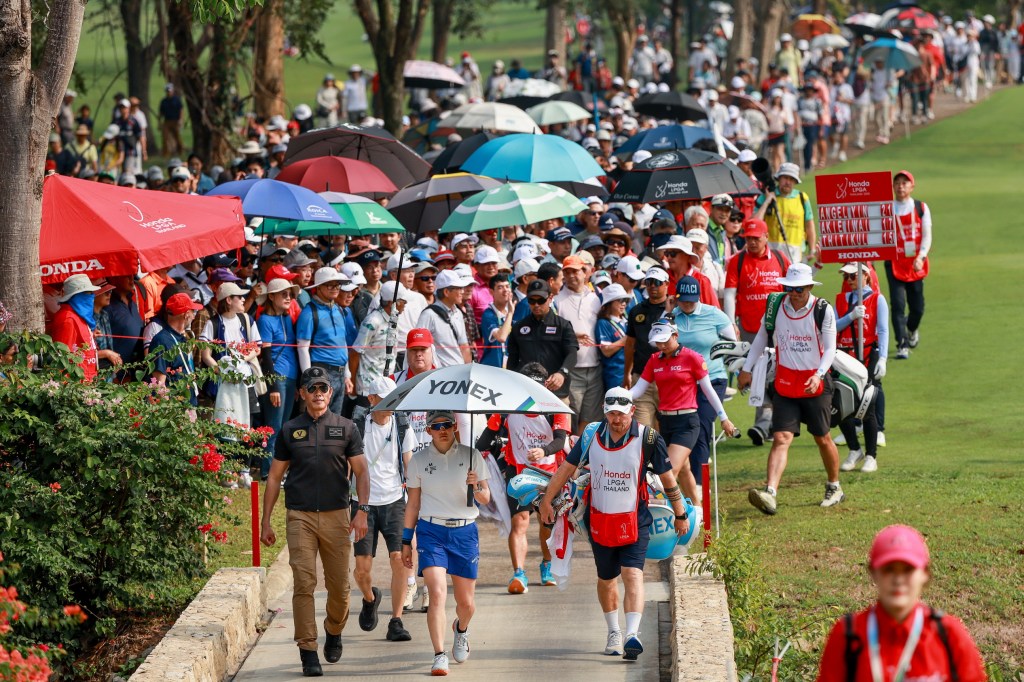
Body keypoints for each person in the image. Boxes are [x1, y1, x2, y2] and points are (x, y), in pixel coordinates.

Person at [539, 388, 691, 662]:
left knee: (632, 574)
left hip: (635, 519)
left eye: (621, 414)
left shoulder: (648, 438)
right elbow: (566, 469)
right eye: (611, 414)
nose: (616, 419)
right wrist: (546, 501)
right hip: (599, 519)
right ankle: (614, 632)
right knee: (606, 579)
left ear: (632, 411)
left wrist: (680, 513)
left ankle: (632, 634)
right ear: (605, 412)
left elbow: (668, 478)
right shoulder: (591, 435)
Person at [261, 367, 370, 677]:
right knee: (304, 583)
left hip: (337, 516)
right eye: (312, 388)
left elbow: (362, 471)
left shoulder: (346, 428)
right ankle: (307, 650)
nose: (318, 393)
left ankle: (334, 630)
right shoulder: (289, 429)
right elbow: (274, 477)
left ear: (331, 393)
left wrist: (362, 510)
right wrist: (265, 521)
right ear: (302, 393)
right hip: (300, 516)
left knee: (340, 588)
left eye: (323, 388)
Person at [816, 525, 987, 681]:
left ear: (925, 574)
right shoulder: (847, 634)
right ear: (873, 573)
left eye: (908, 569)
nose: (898, 580)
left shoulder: (948, 634)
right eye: (888, 569)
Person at [738, 263, 843, 515]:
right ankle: (770, 493)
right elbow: (761, 338)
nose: (794, 293)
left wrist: (818, 375)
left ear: (809, 287)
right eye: (790, 288)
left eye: (799, 289)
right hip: (785, 383)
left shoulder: (822, 309)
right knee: (781, 438)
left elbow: (831, 348)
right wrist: (747, 368)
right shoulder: (775, 306)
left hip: (815, 384)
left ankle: (834, 486)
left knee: (822, 437)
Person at [401, 410, 491, 676]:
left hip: (464, 533)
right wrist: (406, 540)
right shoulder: (418, 460)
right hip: (431, 532)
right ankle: (439, 655)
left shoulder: (472, 455)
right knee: (437, 593)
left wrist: (476, 486)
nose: (443, 430)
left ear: (455, 427)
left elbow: (486, 498)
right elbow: (413, 504)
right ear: (428, 430)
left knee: (467, 604)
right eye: (436, 425)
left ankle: (461, 629)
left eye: (448, 424)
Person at [476, 363, 569, 594]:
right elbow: (487, 437)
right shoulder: (507, 407)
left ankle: (547, 565)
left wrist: (544, 450)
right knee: (520, 521)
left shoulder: (555, 406)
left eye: (537, 387)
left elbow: (560, 440)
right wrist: (471, 453)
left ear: (545, 385)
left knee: (547, 523)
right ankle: (518, 574)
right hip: (518, 472)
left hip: (549, 474)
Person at [629, 318, 736, 515]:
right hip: (665, 422)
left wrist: (724, 418)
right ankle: (698, 511)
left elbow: (709, 390)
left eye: (665, 341)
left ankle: (677, 516)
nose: (661, 346)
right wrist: (619, 397)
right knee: (685, 469)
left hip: (687, 422)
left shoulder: (692, 358)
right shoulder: (654, 360)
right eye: (658, 342)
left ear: (675, 336)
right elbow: (638, 389)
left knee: (668, 473)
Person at [352, 376, 416, 644]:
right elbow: (347, 465)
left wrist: (415, 503)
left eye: (394, 398)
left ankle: (396, 621)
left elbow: (409, 466)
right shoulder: (357, 427)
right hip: (362, 503)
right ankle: (370, 599)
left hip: (394, 502)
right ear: (371, 399)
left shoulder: (402, 425)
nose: (391, 403)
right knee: (361, 570)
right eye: (385, 399)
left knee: (399, 560)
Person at [723, 218, 791, 444]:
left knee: (777, 375)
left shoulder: (780, 259)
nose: (751, 242)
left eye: (755, 238)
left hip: (780, 327)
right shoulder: (737, 261)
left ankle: (766, 424)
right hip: (751, 328)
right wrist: (731, 323)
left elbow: (794, 287)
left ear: (766, 237)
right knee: (758, 374)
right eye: (748, 238)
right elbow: (730, 294)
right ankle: (766, 425)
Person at [671, 276, 738, 484]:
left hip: (713, 378)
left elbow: (732, 343)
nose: (687, 304)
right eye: (683, 300)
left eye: (691, 300)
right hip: (683, 383)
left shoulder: (714, 315)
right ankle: (689, 481)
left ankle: (700, 485)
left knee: (701, 426)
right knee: (685, 429)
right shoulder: (671, 317)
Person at [835, 263, 888, 474]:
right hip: (845, 355)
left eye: (853, 276)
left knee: (867, 406)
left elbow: (882, 330)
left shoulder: (877, 299)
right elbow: (832, 327)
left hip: (867, 354)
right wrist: (850, 316)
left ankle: (871, 456)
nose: (849, 280)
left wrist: (883, 358)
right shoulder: (841, 300)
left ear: (865, 276)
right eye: (846, 277)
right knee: (841, 406)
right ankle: (854, 449)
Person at [505, 279, 578, 405]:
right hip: (527, 394)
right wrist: (513, 384)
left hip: (556, 392)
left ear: (550, 298)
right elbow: (512, 360)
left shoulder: (563, 325)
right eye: (531, 301)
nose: (536, 305)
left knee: (562, 419)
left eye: (541, 300)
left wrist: (562, 373)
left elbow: (572, 354)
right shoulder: (518, 327)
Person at [256, 278, 300, 480]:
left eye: (290, 294)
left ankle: (278, 470)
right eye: (284, 294)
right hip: (277, 378)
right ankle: (267, 471)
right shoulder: (264, 320)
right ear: (271, 297)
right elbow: (265, 356)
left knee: (283, 427)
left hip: (290, 377)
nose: (288, 298)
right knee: (273, 426)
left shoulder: (287, 319)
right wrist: (272, 386)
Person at [296, 268, 356, 415]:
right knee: (317, 418)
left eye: (337, 285)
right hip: (321, 372)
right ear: (319, 287)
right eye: (330, 285)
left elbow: (343, 343)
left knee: (334, 419)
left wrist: (347, 375)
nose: (335, 288)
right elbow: (302, 348)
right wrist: (309, 378)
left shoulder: (339, 310)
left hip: (340, 374)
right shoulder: (309, 312)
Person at [886, 170, 931, 360]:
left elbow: (927, 235)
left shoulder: (921, 207)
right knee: (897, 304)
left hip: (915, 263)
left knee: (917, 307)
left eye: (905, 183)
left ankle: (912, 329)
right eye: (897, 183)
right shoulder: (887, 209)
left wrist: (921, 256)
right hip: (894, 262)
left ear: (912, 186)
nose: (901, 186)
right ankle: (902, 344)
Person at [555, 256, 604, 429]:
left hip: (595, 367)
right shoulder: (557, 300)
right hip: (571, 369)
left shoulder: (596, 298)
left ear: (584, 272)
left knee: (590, 418)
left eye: (575, 271)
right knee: (572, 416)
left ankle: (583, 446)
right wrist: (572, 336)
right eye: (567, 272)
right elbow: (554, 331)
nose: (571, 275)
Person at [623, 266, 670, 429]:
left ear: (666, 284)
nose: (652, 286)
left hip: (669, 378)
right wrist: (627, 373)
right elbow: (630, 344)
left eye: (657, 282)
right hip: (642, 377)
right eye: (649, 282)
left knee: (667, 431)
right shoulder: (636, 311)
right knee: (642, 431)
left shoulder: (675, 309)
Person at [755, 162, 816, 265]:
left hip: (796, 256)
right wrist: (767, 201)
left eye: (791, 179)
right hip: (770, 255)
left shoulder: (802, 198)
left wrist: (812, 249)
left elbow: (809, 225)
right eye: (785, 178)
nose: (788, 182)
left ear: (795, 181)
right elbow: (755, 223)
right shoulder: (766, 196)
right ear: (779, 178)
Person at [149, 292, 203, 406]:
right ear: (186, 315)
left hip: (189, 403)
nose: (194, 317)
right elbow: (159, 384)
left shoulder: (183, 337)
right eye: (193, 312)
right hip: (176, 409)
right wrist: (172, 411)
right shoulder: (161, 341)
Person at [47, 274, 101, 381]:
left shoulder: (79, 316)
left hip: (87, 381)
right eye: (87, 293)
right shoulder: (67, 319)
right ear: (76, 296)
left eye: (91, 293)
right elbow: (62, 360)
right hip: (77, 385)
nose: (91, 297)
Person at [416, 269, 472, 368]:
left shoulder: (458, 313)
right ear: (446, 292)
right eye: (458, 288)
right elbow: (418, 346)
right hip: (440, 373)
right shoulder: (428, 315)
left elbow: (464, 346)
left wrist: (468, 369)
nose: (462, 292)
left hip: (460, 371)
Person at [595, 284, 632, 393]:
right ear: (609, 303)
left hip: (631, 372)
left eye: (625, 300)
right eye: (620, 300)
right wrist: (627, 339)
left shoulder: (627, 321)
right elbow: (606, 351)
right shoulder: (603, 323)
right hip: (615, 375)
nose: (624, 303)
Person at [479, 274, 514, 367]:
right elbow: (501, 337)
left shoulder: (514, 309)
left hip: (510, 366)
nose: (505, 290)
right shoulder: (488, 314)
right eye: (500, 287)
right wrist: (510, 313)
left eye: (507, 286)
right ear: (491, 292)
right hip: (492, 367)